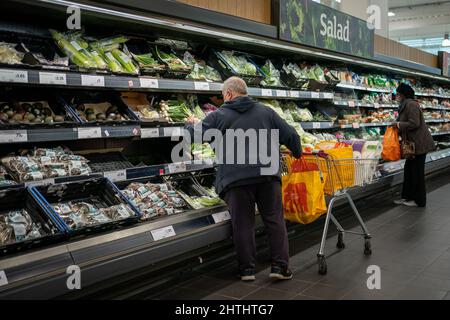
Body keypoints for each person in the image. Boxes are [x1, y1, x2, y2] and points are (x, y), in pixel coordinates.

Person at [185, 76, 302, 281]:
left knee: (242, 224)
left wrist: (189, 124)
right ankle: (280, 267)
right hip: (267, 175)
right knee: (274, 220)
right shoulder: (267, 112)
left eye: (223, 96)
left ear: (229, 94)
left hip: (235, 179)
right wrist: (298, 152)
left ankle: (247, 270)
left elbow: (195, 136)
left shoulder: (219, 115)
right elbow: (291, 134)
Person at [392, 83, 435, 207]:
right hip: (410, 145)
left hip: (419, 144)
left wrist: (398, 125)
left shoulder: (411, 104)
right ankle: (407, 197)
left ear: (404, 94)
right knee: (409, 171)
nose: (396, 96)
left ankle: (419, 201)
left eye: (398, 94)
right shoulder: (404, 105)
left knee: (417, 173)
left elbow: (414, 123)